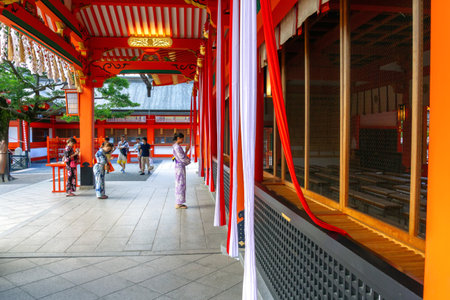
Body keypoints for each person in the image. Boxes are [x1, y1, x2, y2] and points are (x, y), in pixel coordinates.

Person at [172, 132, 191, 209]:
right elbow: (182, 158)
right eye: (182, 138)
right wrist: (187, 151)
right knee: (180, 183)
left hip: (179, 167)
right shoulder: (177, 147)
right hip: (180, 167)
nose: (183, 140)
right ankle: (179, 203)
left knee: (180, 183)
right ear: (178, 138)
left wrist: (186, 151)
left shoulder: (176, 146)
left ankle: (179, 202)